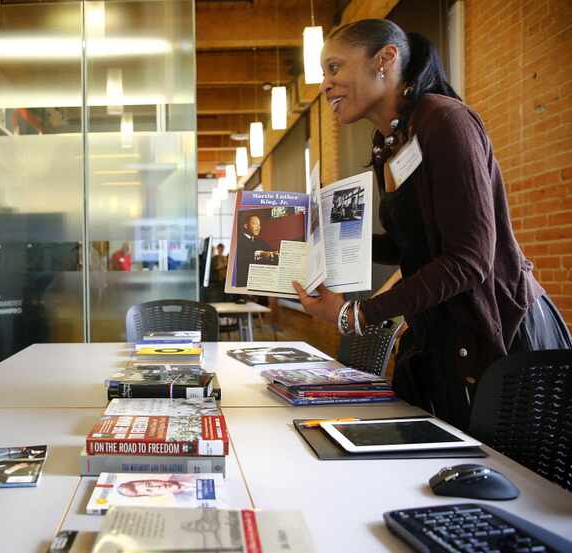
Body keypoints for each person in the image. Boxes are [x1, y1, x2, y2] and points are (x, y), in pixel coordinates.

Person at [292, 19, 571, 431]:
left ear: (385, 59)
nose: (325, 86)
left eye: (334, 68)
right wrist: (322, 246)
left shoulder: (444, 120)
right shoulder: (389, 140)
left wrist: (358, 315)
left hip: (496, 336)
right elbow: (412, 246)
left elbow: (469, 260)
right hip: (436, 335)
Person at [235, 215, 275, 287]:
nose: (258, 227)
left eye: (259, 225)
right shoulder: (238, 240)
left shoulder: (260, 241)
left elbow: (271, 250)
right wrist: (261, 254)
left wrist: (274, 252)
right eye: (255, 223)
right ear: (246, 226)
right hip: (244, 282)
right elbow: (242, 259)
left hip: (260, 281)